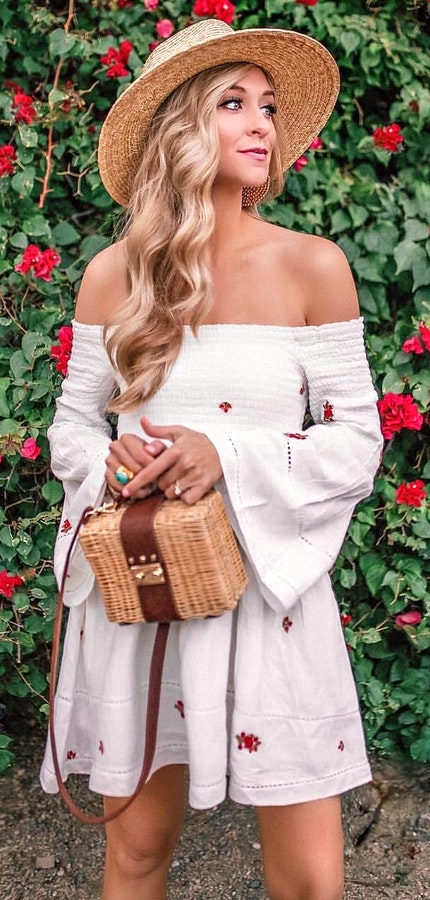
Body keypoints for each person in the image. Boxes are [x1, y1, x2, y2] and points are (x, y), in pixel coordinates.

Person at [40, 18, 383, 900]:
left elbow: (356, 441)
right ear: (180, 127)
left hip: (273, 601)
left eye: (267, 106)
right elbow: (72, 428)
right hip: (147, 594)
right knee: (137, 854)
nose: (262, 122)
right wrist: (109, 462)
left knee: (311, 881)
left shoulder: (316, 266)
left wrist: (226, 453)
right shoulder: (113, 276)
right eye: (233, 103)